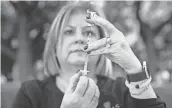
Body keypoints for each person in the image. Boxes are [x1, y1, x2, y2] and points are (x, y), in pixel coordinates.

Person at [13, 2, 166, 108]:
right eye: (69, 32)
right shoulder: (32, 93)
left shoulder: (121, 90)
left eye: (88, 32)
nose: (79, 38)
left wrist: (134, 67)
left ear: (103, 43)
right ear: (54, 45)